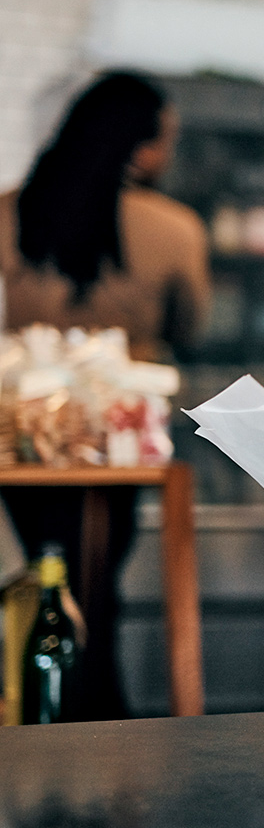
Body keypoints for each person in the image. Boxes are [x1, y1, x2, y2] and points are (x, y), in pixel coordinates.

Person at [0, 70, 211, 720]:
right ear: (143, 147)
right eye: (166, 139)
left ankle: (41, 707)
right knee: (99, 581)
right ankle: (92, 716)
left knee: (42, 568)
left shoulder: (9, 212)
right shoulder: (174, 229)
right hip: (120, 438)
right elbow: (192, 326)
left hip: (24, 435)